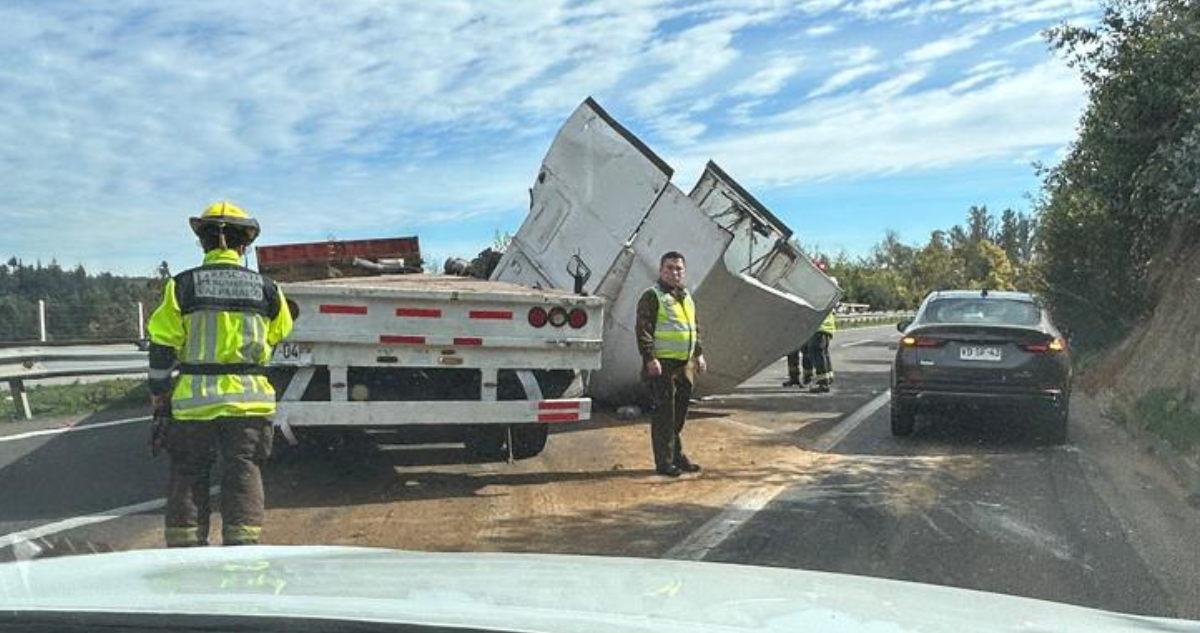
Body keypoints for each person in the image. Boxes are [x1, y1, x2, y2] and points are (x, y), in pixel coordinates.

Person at [146, 201, 293, 547]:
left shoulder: (181, 286)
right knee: (244, 471)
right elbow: (279, 331)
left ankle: (185, 548)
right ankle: (242, 548)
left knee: (188, 473)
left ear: (203, 242)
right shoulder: (267, 288)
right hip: (249, 401)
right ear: (245, 245)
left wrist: (159, 393)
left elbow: (162, 346)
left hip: (193, 404)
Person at [636, 251, 707, 477]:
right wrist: (650, 358)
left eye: (678, 268)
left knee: (679, 414)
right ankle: (664, 462)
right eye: (669, 268)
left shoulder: (686, 296)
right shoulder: (652, 296)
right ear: (661, 270)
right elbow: (643, 330)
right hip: (662, 364)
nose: (674, 272)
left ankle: (677, 455)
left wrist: (699, 355)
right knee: (664, 414)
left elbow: (693, 328)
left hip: (684, 364)